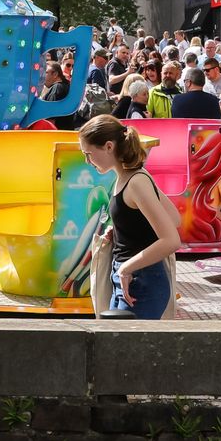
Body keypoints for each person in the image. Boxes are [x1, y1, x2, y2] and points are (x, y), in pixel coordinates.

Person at [79, 114, 182, 319]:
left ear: (109, 146)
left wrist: (126, 268)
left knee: (126, 348)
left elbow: (171, 240)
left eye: (89, 153)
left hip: (140, 280)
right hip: (132, 276)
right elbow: (173, 218)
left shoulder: (136, 181)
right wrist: (120, 230)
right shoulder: (131, 177)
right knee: (116, 345)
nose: (87, 161)